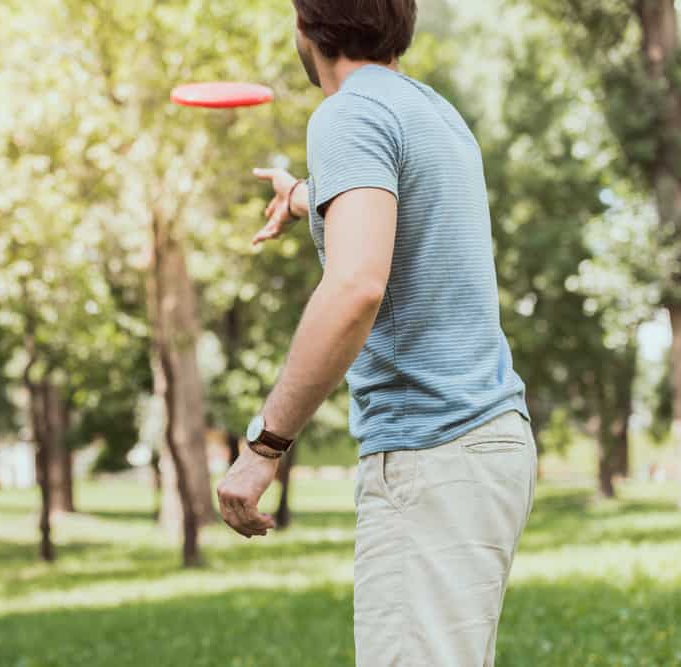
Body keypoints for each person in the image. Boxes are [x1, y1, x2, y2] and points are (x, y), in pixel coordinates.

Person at [216, 1, 537, 665]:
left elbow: (356, 284)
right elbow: (401, 203)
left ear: (306, 28)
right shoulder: (431, 113)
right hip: (485, 440)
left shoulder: (347, 112)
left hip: (431, 450)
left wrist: (264, 446)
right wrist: (305, 195)